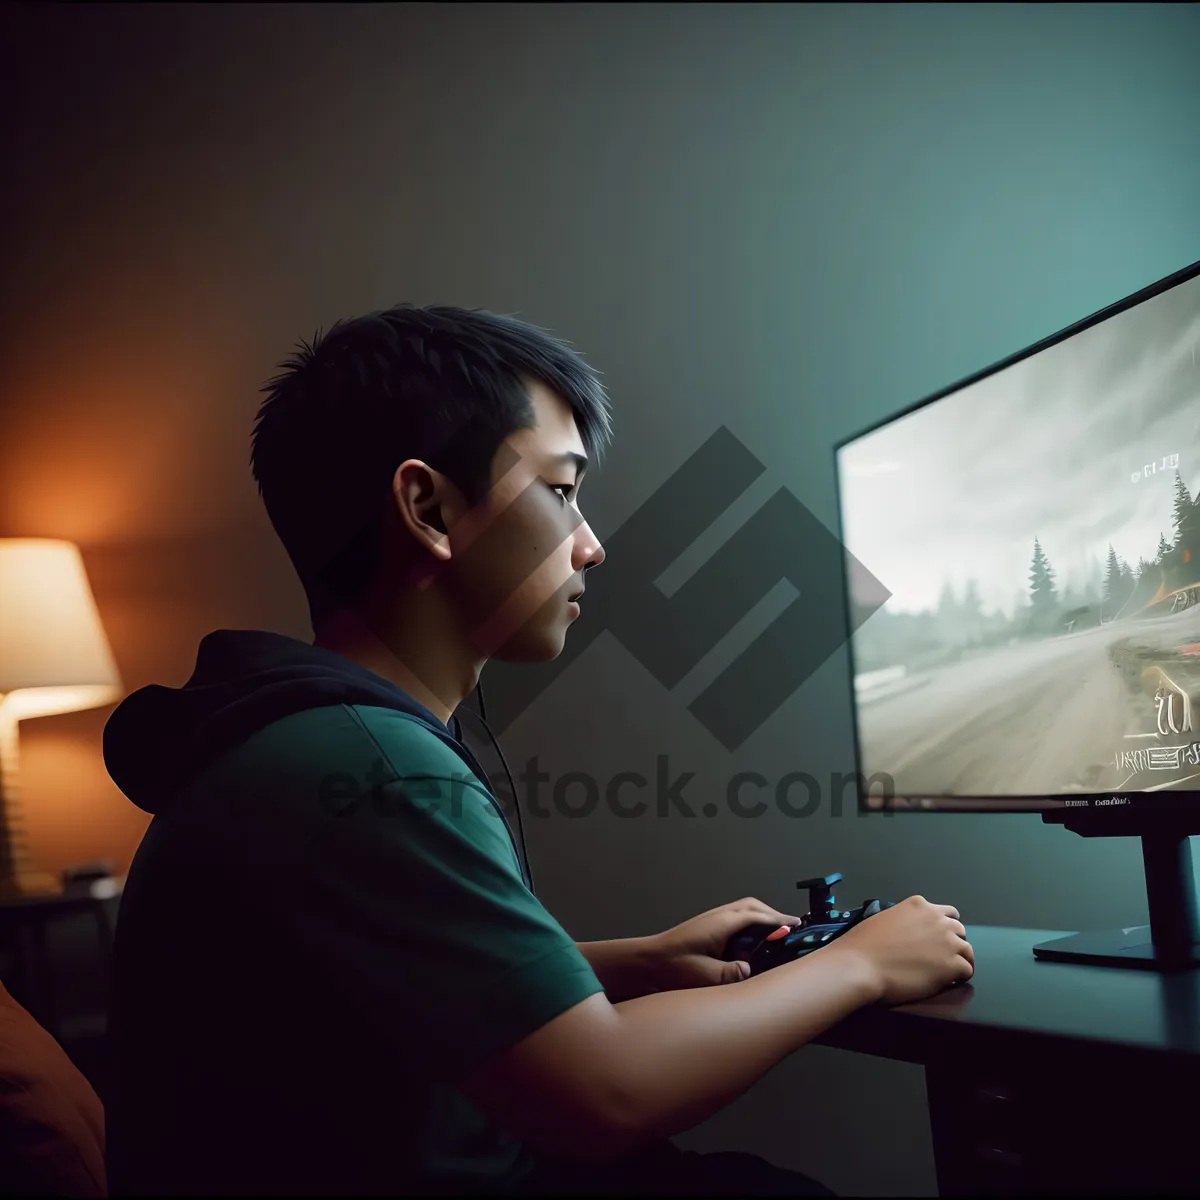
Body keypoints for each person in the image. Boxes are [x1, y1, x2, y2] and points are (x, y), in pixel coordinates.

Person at [102, 304, 974, 1196]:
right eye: (561, 491)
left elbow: (384, 990)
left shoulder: (302, 740)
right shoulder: (372, 771)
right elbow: (603, 1092)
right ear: (428, 509)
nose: (591, 545)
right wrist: (861, 963)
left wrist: (641, 957)